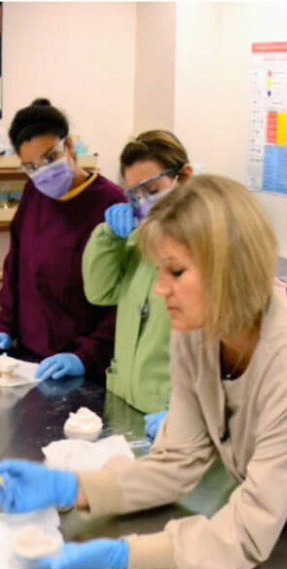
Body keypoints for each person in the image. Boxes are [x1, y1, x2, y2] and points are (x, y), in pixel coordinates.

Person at [0, 176, 287, 569]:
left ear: (228, 269)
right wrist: (73, 489)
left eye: (175, 272)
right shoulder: (198, 332)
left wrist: (127, 555)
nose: (160, 290)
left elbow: (247, 533)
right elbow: (176, 462)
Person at [0, 98, 125, 381]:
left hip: (84, 367)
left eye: (49, 158)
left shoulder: (111, 206)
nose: (42, 172)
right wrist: (5, 327)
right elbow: (16, 267)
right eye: (30, 167)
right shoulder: (35, 193)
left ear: (69, 146)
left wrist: (85, 355)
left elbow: (124, 298)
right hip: (29, 362)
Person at [82, 130, 193, 441]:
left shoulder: (207, 249)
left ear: (183, 178)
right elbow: (99, 291)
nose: (144, 202)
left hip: (173, 416)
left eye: (152, 190)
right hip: (126, 405)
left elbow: (231, 358)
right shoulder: (139, 242)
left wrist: (193, 413)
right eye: (134, 196)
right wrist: (108, 237)